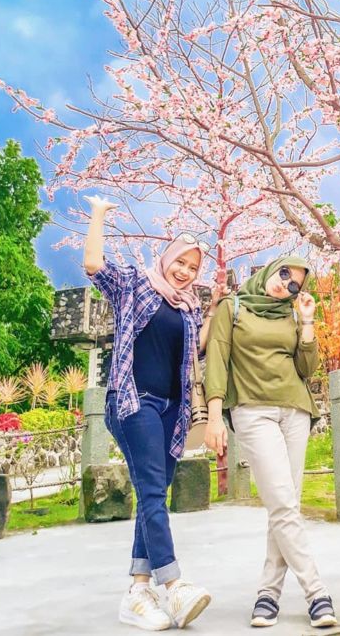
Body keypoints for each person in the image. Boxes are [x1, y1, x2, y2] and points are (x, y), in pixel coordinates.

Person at [83, 194, 223, 631]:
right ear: (167, 259)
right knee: (150, 491)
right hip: (132, 400)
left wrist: (213, 312)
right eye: (180, 262)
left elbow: (191, 355)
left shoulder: (188, 306)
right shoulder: (135, 284)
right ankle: (173, 583)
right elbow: (93, 266)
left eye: (192, 267)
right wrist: (99, 215)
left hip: (171, 410)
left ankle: (138, 591)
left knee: (153, 493)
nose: (185, 271)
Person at [204, 257, 338, 629]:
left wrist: (307, 322)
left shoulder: (290, 315)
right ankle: (316, 592)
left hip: (294, 410)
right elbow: (216, 361)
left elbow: (306, 369)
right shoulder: (232, 308)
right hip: (252, 409)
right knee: (282, 501)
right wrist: (214, 417)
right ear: (269, 270)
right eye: (284, 276)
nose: (286, 287)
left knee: (286, 504)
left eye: (295, 284)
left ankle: (268, 595)